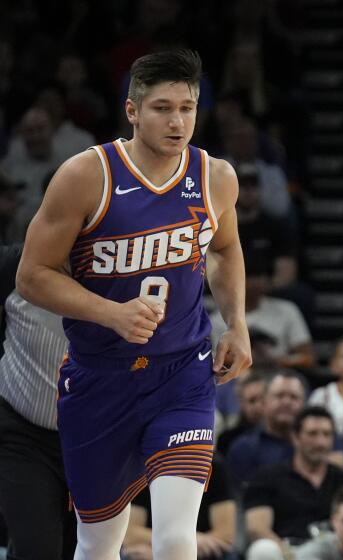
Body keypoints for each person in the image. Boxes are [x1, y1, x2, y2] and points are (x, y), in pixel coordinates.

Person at [15, 49, 252, 559]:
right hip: (101, 378)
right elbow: (32, 276)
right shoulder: (86, 175)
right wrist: (109, 313)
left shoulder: (216, 177)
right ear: (132, 111)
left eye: (187, 108)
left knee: (173, 538)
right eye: (162, 108)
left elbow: (227, 248)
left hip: (182, 374)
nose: (177, 121)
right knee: (99, 542)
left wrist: (237, 324)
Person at [0, 244, 76, 559]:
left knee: (82, 549)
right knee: (38, 549)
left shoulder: (119, 268)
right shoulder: (12, 266)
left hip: (92, 439)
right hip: (22, 431)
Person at [243, 406, 343, 556]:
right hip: (287, 552)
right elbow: (257, 528)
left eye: (326, 435)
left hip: (333, 553)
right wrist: (294, 556)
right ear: (296, 437)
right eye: (312, 434)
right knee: (263, 549)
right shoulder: (267, 478)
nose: (320, 442)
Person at [226, 370, 343, 483]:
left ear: (304, 403)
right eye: (279, 396)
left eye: (294, 397)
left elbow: (336, 475)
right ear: (265, 401)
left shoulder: (324, 438)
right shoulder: (243, 448)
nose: (286, 402)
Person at [122, 458, 236, 560]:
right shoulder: (146, 469)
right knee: (131, 554)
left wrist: (185, 546)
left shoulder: (214, 467)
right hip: (152, 551)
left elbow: (226, 534)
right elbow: (131, 534)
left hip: (204, 550)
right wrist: (166, 551)